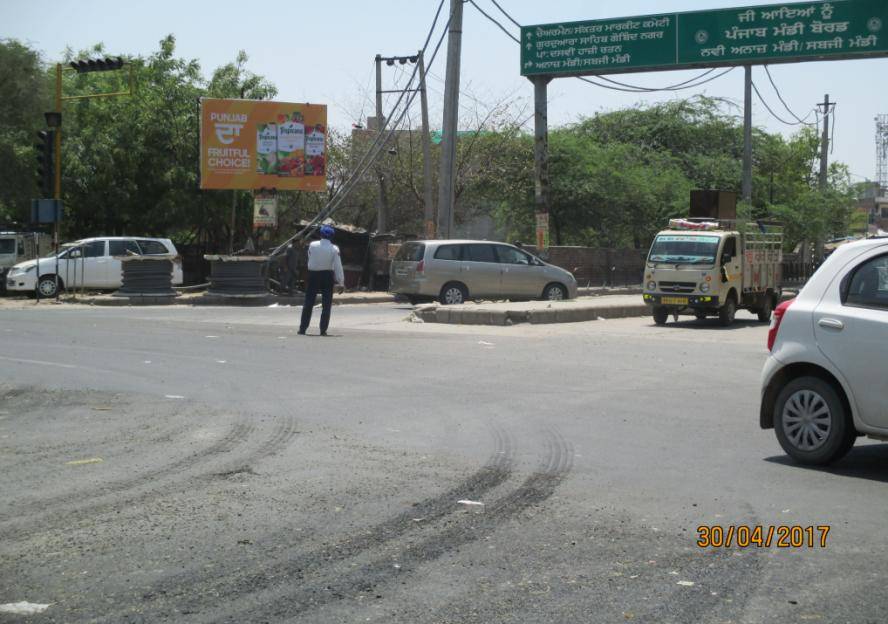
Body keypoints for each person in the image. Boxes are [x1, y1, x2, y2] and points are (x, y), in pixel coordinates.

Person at [298, 225, 344, 336]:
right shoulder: (334, 248)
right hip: (327, 276)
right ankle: (323, 330)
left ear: (320, 234)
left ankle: (302, 329)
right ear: (331, 236)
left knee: (308, 302)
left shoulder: (312, 245)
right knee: (326, 304)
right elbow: (338, 266)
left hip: (313, 275)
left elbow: (310, 258)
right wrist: (341, 282)